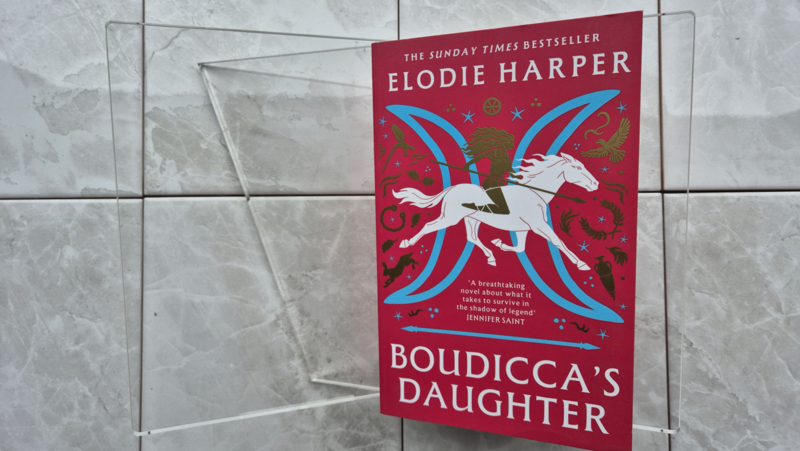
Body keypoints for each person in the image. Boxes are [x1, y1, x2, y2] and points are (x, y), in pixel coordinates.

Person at [460, 127, 521, 215]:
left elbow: (510, 170)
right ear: (505, 142)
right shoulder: (497, 152)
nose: (513, 145)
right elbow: (480, 156)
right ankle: (475, 207)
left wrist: (519, 178)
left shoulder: (507, 156)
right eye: (511, 143)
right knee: (504, 210)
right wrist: (468, 164)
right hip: (491, 183)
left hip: (500, 183)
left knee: (510, 207)